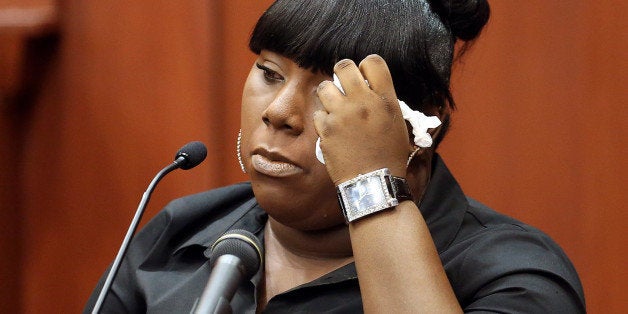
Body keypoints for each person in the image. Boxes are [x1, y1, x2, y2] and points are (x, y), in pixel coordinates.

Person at [85, 0, 586, 313]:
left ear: (415, 122)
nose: (280, 113)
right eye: (270, 73)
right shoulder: (181, 234)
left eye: (331, 89)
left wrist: (371, 185)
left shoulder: (513, 274)